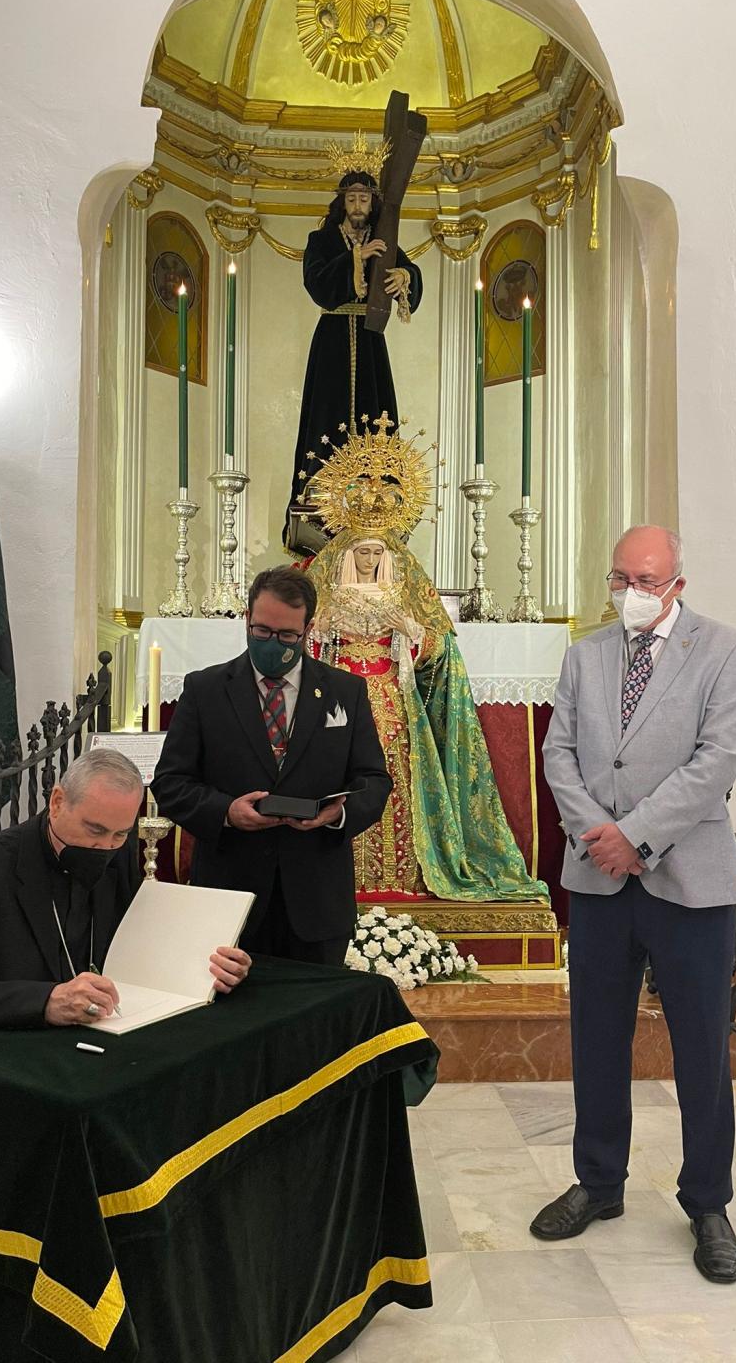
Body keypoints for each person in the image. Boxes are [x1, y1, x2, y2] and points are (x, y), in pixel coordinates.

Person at [531, 525, 736, 1285]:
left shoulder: (725, 650)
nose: (633, 592)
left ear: (679, 586)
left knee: (700, 1048)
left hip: (687, 879)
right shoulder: (584, 654)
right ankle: (599, 1182)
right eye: (621, 578)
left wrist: (636, 837)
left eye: (649, 580)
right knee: (597, 1036)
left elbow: (714, 762)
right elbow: (557, 750)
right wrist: (599, 835)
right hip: (597, 877)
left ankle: (709, 1203)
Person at [0, 749, 251, 1031]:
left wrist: (210, 962)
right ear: (57, 802)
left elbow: (140, 940)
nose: (105, 848)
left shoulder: (118, 851)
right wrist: (46, 1001)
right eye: (95, 830)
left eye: (120, 834)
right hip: (6, 1044)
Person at [151, 566, 392, 966]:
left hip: (316, 904)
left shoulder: (344, 691)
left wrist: (338, 814)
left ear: (308, 629)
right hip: (230, 899)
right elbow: (171, 782)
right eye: (261, 631)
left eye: (286, 636)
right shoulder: (205, 690)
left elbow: (374, 779)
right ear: (247, 619)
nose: (271, 643)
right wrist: (226, 812)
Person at [307, 527, 550, 905]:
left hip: (390, 697)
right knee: (339, 771)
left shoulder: (401, 593)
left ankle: (401, 873)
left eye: (376, 553)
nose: (369, 561)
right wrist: (317, 633)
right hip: (339, 702)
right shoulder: (327, 597)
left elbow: (437, 651)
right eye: (363, 553)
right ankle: (345, 872)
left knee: (394, 773)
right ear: (347, 556)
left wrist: (411, 631)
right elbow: (307, 653)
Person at [286, 168, 423, 541]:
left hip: (370, 339)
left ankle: (379, 500)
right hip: (331, 340)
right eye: (351, 198)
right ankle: (319, 505)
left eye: (364, 198)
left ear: (372, 203)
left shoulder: (385, 237)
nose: (358, 205)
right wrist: (357, 258)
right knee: (326, 418)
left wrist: (405, 277)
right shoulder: (322, 240)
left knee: (374, 414)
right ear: (341, 203)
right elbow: (317, 284)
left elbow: (408, 269)